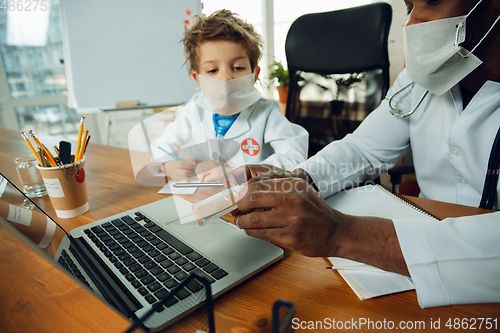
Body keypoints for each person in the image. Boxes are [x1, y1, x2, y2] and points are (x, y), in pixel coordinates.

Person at [229, 0, 500, 308]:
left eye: (433, 1)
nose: (411, 23)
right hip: (407, 272)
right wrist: (297, 179)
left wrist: (340, 233)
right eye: (410, 6)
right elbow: (364, 148)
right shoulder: (418, 81)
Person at [148, 9, 308, 183]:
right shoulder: (194, 109)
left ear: (254, 75)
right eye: (212, 70)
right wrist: (168, 166)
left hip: (253, 199)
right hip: (206, 198)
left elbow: (294, 157)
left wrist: (243, 173)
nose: (225, 78)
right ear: (197, 79)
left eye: (238, 68)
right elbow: (159, 148)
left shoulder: (266, 113)